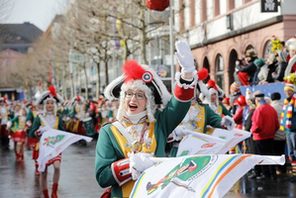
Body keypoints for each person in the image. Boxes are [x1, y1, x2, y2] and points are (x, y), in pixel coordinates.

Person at [95, 40, 197, 198]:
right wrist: (129, 165)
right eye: (128, 94)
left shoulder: (159, 124)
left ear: (148, 101)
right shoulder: (109, 131)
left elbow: (178, 106)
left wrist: (187, 74)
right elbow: (102, 177)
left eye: (139, 95)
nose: (132, 99)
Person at [29, 86, 64, 198]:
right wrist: (39, 131)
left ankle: (54, 191)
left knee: (57, 166)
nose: (50, 105)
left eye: (51, 103)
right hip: (43, 147)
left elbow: (63, 131)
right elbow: (32, 133)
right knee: (43, 172)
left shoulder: (58, 117)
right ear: (45, 105)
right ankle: (46, 195)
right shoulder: (39, 118)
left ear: (54, 105)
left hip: (55, 147)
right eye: (48, 103)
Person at [250, 91, 279, 180]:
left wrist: (252, 131)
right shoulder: (271, 108)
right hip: (270, 136)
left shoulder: (259, 110)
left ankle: (265, 174)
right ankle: (272, 173)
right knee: (270, 156)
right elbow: (277, 125)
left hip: (260, 137)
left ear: (256, 100)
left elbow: (257, 125)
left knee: (262, 156)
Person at [280, 73, 296, 182]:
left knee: (295, 151)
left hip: (294, 130)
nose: (287, 92)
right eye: (286, 91)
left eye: (289, 91)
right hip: (288, 130)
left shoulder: (294, 102)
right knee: (291, 153)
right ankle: (294, 174)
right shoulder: (286, 102)